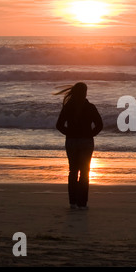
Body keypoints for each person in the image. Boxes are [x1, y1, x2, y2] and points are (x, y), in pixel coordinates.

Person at [55, 82, 103, 210]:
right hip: (86, 142)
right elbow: (100, 125)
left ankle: (73, 202)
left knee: (73, 171)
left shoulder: (68, 107)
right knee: (84, 172)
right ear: (85, 93)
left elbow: (59, 125)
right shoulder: (90, 107)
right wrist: (90, 134)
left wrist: (70, 133)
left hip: (71, 142)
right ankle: (82, 203)